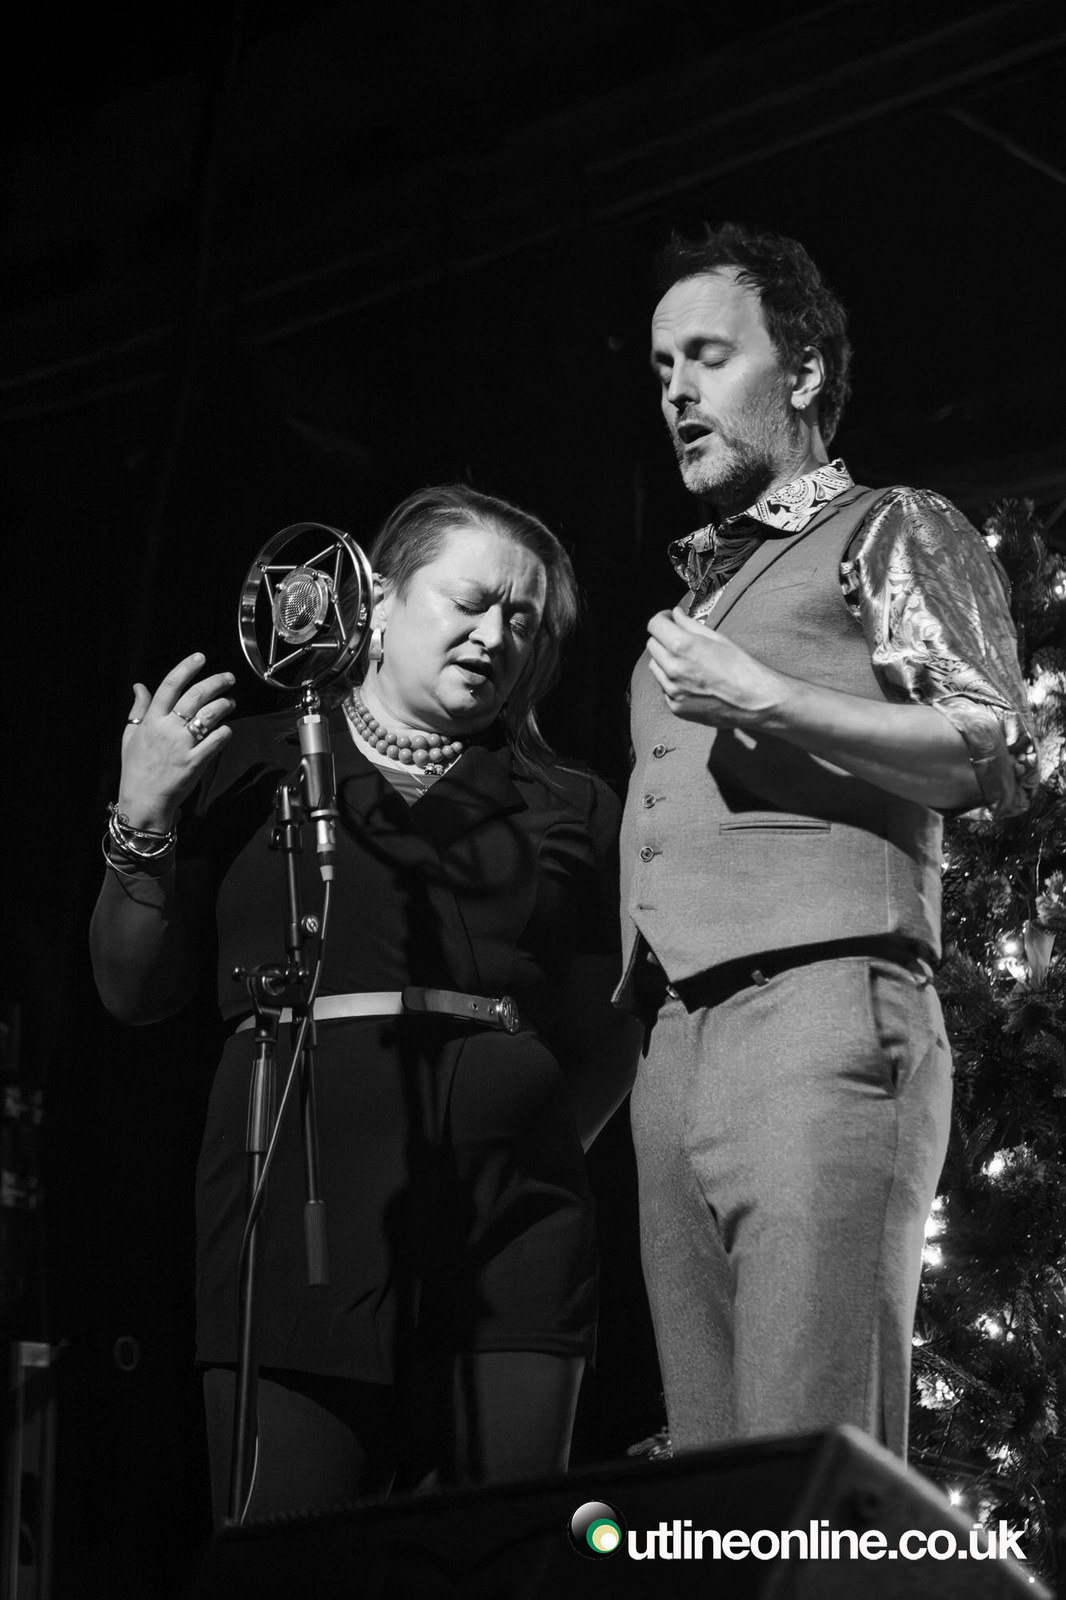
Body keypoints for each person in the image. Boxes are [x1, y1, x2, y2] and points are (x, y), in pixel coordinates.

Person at [91, 483, 641, 1523]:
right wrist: (142, 815)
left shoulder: (570, 804)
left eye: (523, 621)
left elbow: (609, 1026)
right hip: (299, 1213)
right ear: (378, 603)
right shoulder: (249, 762)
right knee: (292, 1558)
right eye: (470, 602)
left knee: (495, 1556)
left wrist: (525, 1145)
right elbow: (133, 990)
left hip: (514, 1237)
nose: (496, 636)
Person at [617, 221, 1039, 1459]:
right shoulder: (698, 594)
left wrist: (767, 698)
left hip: (819, 1009)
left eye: (708, 357)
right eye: (661, 368)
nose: (677, 391)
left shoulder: (887, 524)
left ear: (800, 372)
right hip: (676, 1045)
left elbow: (987, 746)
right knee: (714, 1488)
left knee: (811, 1472)